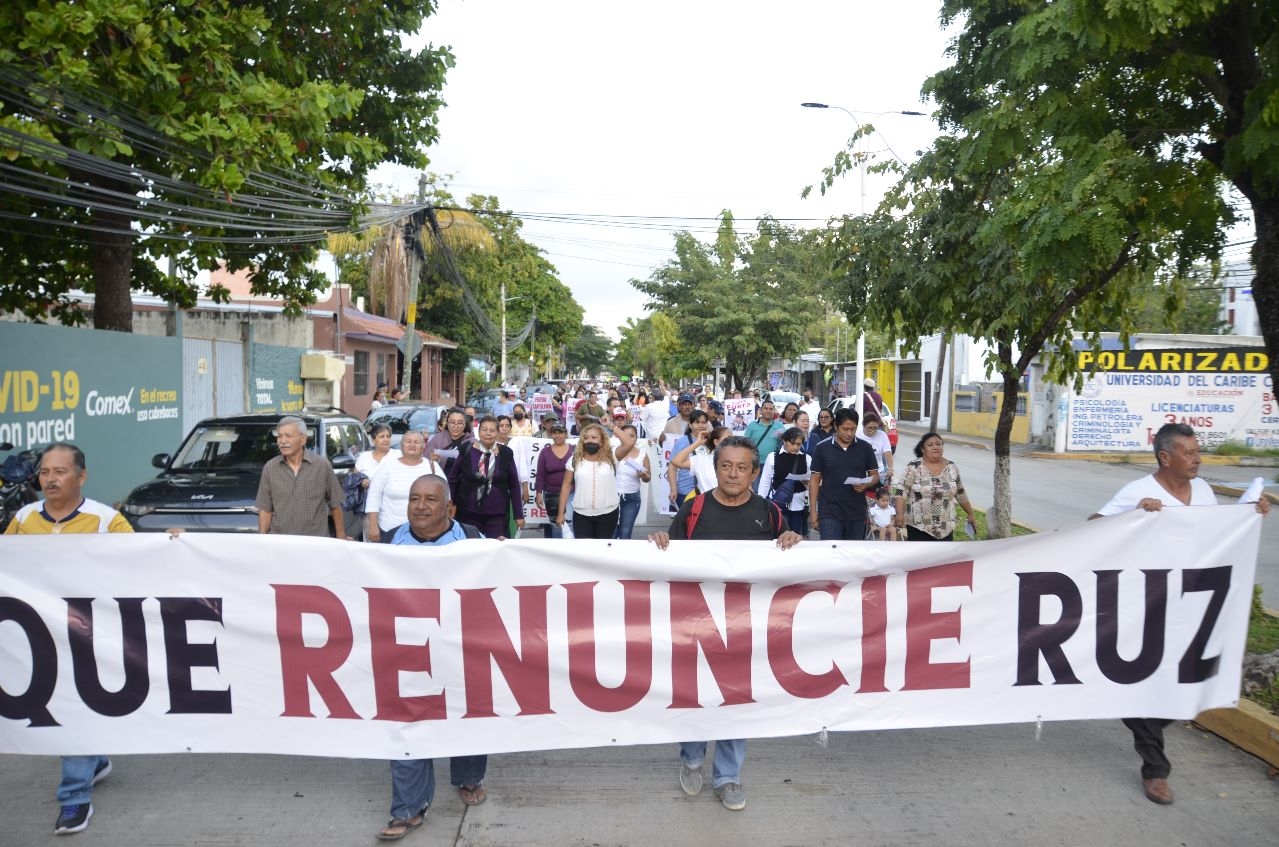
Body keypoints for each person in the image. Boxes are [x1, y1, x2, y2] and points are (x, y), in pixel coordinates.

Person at [1089, 422, 1270, 806]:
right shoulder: (1138, 491)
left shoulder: (1202, 490)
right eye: (1189, 452)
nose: (1197, 459)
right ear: (1165, 457)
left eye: (1197, 451)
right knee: (1138, 685)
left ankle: (1148, 726)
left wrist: (1251, 513)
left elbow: (1216, 532)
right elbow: (1092, 529)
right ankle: (1155, 771)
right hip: (1145, 605)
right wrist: (1132, 516)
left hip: (1192, 608)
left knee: (1187, 681)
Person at [647, 435, 804, 812]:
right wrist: (656, 542)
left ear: (754, 472)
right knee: (695, 695)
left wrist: (793, 537)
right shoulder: (695, 508)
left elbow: (799, 559)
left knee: (737, 699)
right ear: (715, 469)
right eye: (725, 466)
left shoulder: (769, 513)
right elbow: (669, 554)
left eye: (742, 467)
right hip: (696, 623)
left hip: (747, 625)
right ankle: (691, 757)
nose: (733, 474)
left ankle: (728, 776)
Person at [4, 443, 131, 835]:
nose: (51, 479)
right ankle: (94, 762)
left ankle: (75, 798)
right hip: (39, 635)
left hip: (87, 635)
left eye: (60, 472)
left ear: (82, 476)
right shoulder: (24, 520)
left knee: (73, 707)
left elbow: (144, 562)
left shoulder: (106, 521)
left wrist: (173, 542)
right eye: (44, 472)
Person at [377, 475, 489, 840]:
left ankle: (468, 777)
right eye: (414, 498)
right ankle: (407, 808)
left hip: (462, 646)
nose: (420, 506)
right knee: (408, 724)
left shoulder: (472, 540)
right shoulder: (390, 542)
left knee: (469, 715)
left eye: (429, 499)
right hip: (408, 653)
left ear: (449, 509)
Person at [256, 416, 346, 538]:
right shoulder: (270, 468)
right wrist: (262, 540)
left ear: (303, 439)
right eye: (279, 436)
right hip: (280, 543)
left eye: (288, 436)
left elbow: (335, 504)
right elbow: (265, 509)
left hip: (315, 543)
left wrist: (341, 537)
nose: (282, 441)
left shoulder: (322, 466)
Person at [808, 409, 880, 540]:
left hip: (856, 512)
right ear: (836, 426)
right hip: (829, 512)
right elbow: (814, 480)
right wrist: (813, 511)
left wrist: (866, 483)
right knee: (832, 553)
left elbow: (875, 475)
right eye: (845, 429)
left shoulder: (865, 448)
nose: (849, 433)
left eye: (853, 429)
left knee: (853, 556)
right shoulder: (822, 448)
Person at [448, 416, 524, 539]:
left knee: (497, 551)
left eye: (492, 430)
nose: (488, 433)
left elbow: (514, 485)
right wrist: (451, 504)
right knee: (472, 551)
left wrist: (518, 515)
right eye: (484, 429)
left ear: (497, 432)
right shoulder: (467, 450)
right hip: (469, 513)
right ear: (479, 432)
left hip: (497, 515)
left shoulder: (506, 453)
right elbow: (452, 478)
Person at [893, 431, 975, 541]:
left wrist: (970, 513)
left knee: (944, 558)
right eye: (930, 445)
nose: (935, 447)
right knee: (922, 558)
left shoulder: (952, 467)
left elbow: (960, 492)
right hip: (919, 526)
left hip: (946, 526)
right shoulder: (914, 467)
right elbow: (901, 491)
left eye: (938, 444)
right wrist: (899, 514)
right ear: (923, 449)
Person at [365, 430, 445, 543]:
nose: (412, 445)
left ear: (423, 447)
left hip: (425, 531)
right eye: (408, 441)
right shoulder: (387, 466)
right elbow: (373, 495)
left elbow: (446, 497)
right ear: (402, 446)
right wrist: (373, 525)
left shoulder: (433, 467)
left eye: (416, 442)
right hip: (389, 529)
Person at [557, 422, 620, 538]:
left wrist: (612, 426)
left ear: (602, 441)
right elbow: (566, 486)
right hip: (581, 515)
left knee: (602, 552)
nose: (589, 440)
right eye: (586, 438)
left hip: (608, 514)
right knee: (584, 552)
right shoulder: (574, 459)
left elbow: (629, 443)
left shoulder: (612, 457)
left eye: (594, 437)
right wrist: (561, 513)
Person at [757, 426, 812, 535]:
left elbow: (813, 482)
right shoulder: (772, 457)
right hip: (779, 502)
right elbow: (765, 481)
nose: (796, 447)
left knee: (796, 535)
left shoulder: (807, 458)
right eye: (792, 443)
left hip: (799, 503)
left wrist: (807, 483)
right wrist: (761, 503)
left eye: (798, 444)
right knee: (779, 534)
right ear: (784, 441)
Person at [534, 422, 574, 538]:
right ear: (551, 434)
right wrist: (538, 493)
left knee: (569, 524)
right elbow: (540, 475)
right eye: (554, 433)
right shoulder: (545, 452)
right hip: (551, 495)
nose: (557, 435)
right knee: (556, 526)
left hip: (571, 494)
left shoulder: (574, 450)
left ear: (565, 434)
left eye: (560, 432)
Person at [613, 423, 652, 539]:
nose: (630, 438)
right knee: (611, 533)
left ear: (636, 437)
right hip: (611, 498)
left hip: (631, 499)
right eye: (626, 435)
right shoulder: (613, 452)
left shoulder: (643, 455)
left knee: (625, 533)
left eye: (632, 435)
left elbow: (648, 478)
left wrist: (644, 476)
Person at [670, 421, 729, 497]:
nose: (732, 442)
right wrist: (697, 443)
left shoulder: (736, 460)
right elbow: (676, 462)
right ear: (716, 442)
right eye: (728, 439)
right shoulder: (701, 460)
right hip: (704, 505)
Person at [667, 410, 712, 508]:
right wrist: (673, 489)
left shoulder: (711, 441)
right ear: (690, 425)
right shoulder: (682, 441)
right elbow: (672, 467)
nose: (701, 425)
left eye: (704, 422)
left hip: (707, 490)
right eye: (697, 422)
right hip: (685, 491)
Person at [426, 408, 473, 476]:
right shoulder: (437, 439)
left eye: (459, 423)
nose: (455, 426)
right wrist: (432, 461)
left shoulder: (472, 442)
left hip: (463, 484)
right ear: (447, 423)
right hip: (441, 483)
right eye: (452, 422)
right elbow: (424, 462)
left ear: (465, 424)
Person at [858, 413, 895, 495]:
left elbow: (887, 452)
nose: (873, 430)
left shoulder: (882, 435)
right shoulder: (857, 436)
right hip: (862, 474)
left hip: (879, 472)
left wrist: (890, 468)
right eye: (869, 428)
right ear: (863, 425)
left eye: (875, 428)